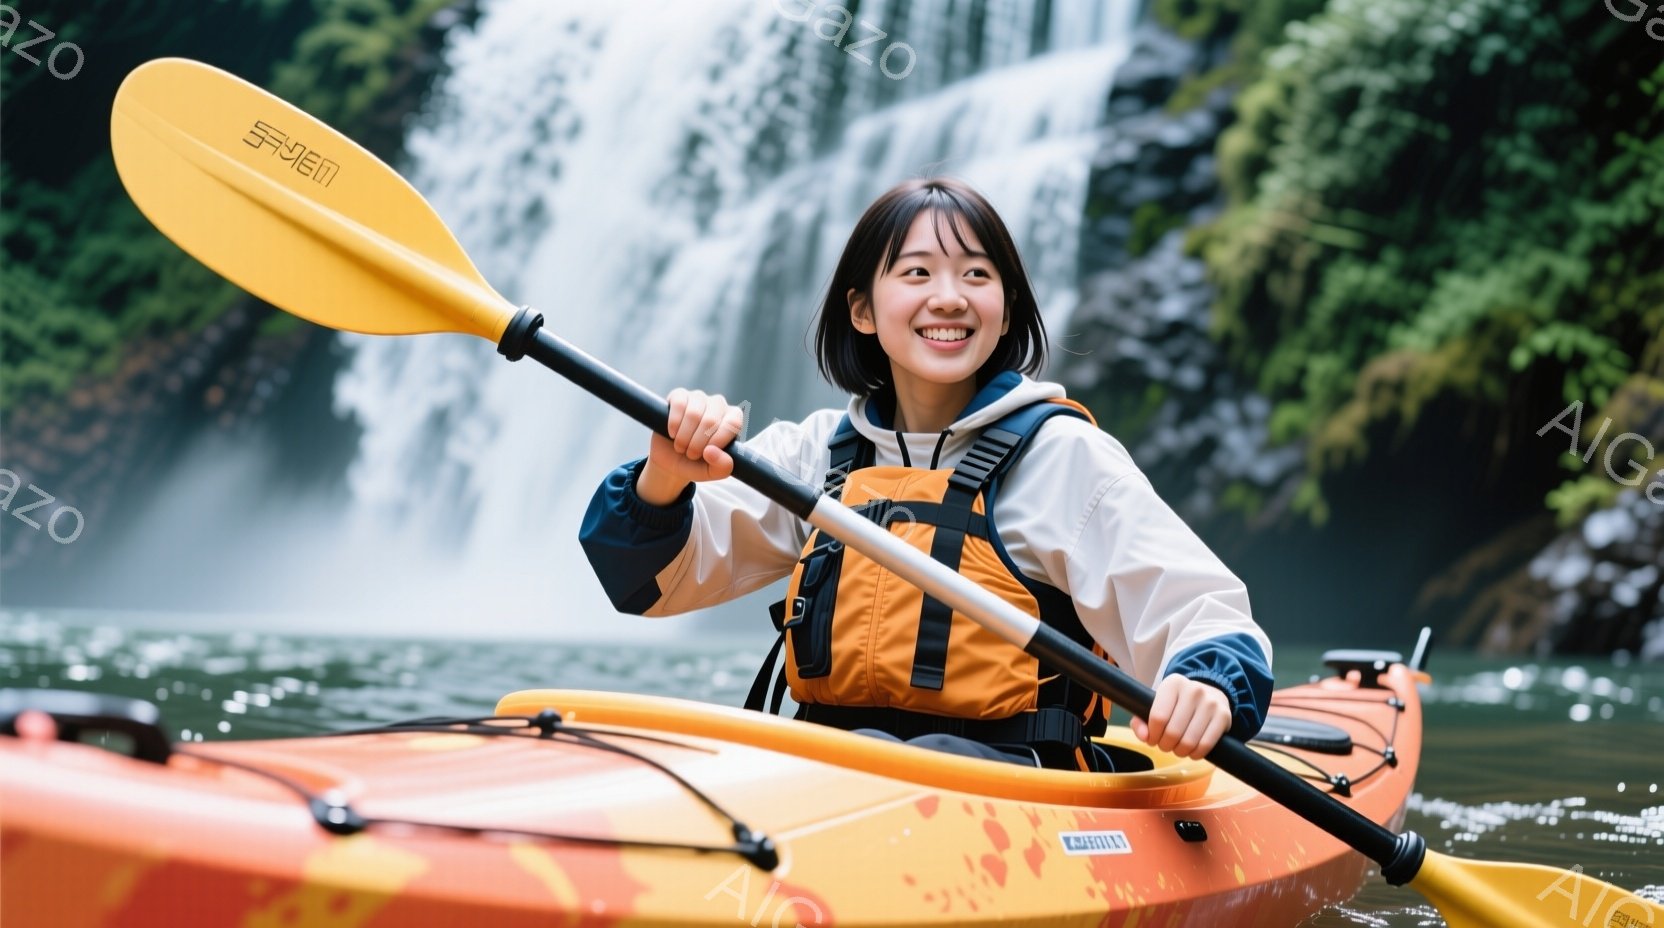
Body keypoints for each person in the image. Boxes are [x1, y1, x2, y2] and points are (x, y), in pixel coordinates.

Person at [580, 177, 1272, 771]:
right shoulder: (817, 456)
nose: (950, 298)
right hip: (831, 777)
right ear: (861, 310)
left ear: (1005, 312)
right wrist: (666, 476)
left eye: (977, 275)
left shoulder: (1062, 457)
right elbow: (647, 583)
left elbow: (1196, 610)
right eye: (917, 274)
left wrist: (1205, 684)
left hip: (1011, 789)